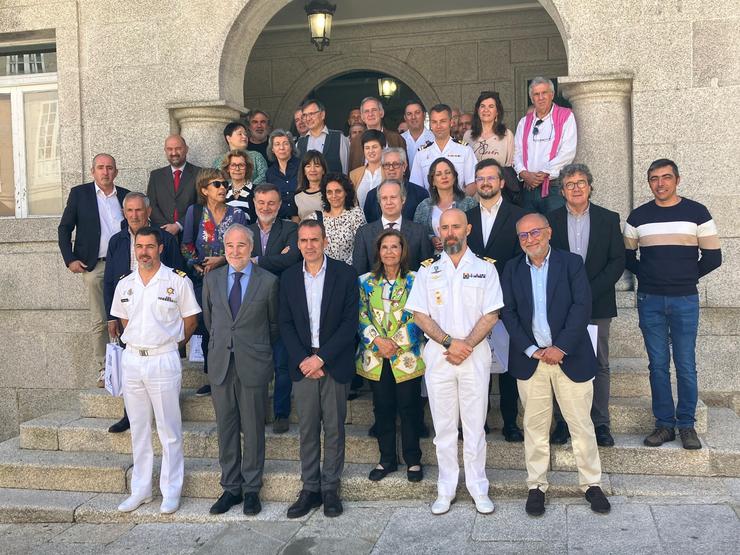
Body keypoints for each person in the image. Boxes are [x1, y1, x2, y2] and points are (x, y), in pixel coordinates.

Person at [501, 213, 610, 517]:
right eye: (523, 235)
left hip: (570, 356)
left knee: (581, 424)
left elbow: (582, 306)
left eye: (534, 232)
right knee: (534, 426)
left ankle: (591, 484)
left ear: (548, 232)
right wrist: (532, 349)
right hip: (531, 361)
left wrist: (561, 347)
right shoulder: (511, 269)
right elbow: (508, 313)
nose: (529, 239)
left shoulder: (571, 263)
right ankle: (536, 486)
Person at [405, 209, 503, 515]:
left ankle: (478, 487)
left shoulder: (486, 269)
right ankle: (446, 487)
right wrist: (450, 343)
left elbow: (492, 314)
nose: (450, 232)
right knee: (444, 428)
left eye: (455, 227)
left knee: (475, 427)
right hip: (440, 356)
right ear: (439, 232)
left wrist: (466, 345)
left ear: (467, 229)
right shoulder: (427, 270)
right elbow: (419, 314)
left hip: (474, 357)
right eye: (444, 227)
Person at [624, 159, 722, 450]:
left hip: (685, 299)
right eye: (654, 179)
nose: (660, 183)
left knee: (686, 365)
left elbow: (714, 257)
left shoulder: (697, 212)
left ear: (677, 180)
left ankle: (687, 425)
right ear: (649, 183)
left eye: (666, 177)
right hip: (650, 299)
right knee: (657, 365)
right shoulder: (638, 216)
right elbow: (628, 258)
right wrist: (652, 277)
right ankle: (664, 425)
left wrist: (682, 277)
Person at [111, 226, 200, 515]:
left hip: (164, 359)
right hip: (133, 360)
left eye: (150, 246)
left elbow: (191, 320)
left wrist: (170, 344)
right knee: (138, 429)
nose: (144, 252)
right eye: (140, 247)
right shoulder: (125, 284)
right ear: (134, 249)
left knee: (169, 429)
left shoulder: (177, 282)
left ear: (160, 248)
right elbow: (125, 321)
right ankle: (141, 491)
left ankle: (171, 491)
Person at [279, 220, 359, 519]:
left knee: (335, 429)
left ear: (325, 241)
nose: (309, 245)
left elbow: (349, 323)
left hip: (332, 363)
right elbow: (284, 324)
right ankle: (310, 488)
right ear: (298, 244)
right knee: (308, 430)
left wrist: (321, 358)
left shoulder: (345, 274)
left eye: (315, 239)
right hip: (303, 364)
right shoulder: (287, 278)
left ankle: (330, 489)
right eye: (304, 240)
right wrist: (305, 359)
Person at [203, 224, 279, 516]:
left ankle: (251, 490)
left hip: (253, 363)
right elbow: (211, 322)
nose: (235, 252)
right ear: (224, 248)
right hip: (222, 364)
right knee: (226, 428)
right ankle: (230, 487)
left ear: (251, 248)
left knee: (253, 428)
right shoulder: (213, 280)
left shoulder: (269, 281)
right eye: (230, 246)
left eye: (242, 246)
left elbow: (273, 326)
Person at [547, 163, 625, 448]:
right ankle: (563, 423)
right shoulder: (551, 220)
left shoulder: (608, 218)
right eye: (570, 184)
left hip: (598, 303)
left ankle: (600, 424)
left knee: (599, 364)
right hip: (561, 307)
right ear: (562, 190)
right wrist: (570, 296)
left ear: (590, 186)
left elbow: (617, 261)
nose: (576, 188)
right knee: (560, 362)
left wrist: (587, 293)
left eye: (581, 182)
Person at [103, 192, 184, 434]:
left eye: (139, 210)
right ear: (124, 213)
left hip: (159, 309)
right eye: (130, 211)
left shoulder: (165, 239)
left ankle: (165, 411)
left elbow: (178, 272)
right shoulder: (116, 241)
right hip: (128, 307)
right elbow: (108, 281)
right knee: (132, 364)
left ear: (148, 212)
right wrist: (111, 316)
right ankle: (130, 415)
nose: (134, 215)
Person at [465, 159, 527, 443]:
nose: (485, 183)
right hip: (473, 303)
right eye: (480, 179)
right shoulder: (466, 218)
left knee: (509, 364)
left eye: (491, 178)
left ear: (502, 182)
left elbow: (520, 261)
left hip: (508, 300)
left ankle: (511, 421)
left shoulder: (519, 216)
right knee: (478, 363)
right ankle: (480, 420)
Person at [357, 230, 425, 482]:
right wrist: (377, 340)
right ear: (378, 251)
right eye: (384, 247)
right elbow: (360, 314)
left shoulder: (416, 280)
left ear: (402, 250)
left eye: (394, 246)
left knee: (409, 408)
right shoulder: (364, 282)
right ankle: (386, 459)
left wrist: (394, 342)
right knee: (382, 408)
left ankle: (413, 460)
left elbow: (419, 315)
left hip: (405, 355)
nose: (389, 252)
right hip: (376, 356)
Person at [58, 153, 129, 388]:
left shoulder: (126, 195)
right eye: (101, 167)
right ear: (92, 171)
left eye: (110, 168)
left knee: (126, 314)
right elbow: (64, 228)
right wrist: (70, 259)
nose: (105, 172)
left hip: (123, 265)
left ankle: (128, 362)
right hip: (94, 265)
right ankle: (104, 368)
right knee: (100, 318)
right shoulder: (80, 194)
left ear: (116, 172)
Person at [181, 169, 249, 397]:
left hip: (229, 277)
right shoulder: (195, 211)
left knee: (227, 327)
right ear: (204, 190)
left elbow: (244, 246)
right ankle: (212, 377)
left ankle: (235, 374)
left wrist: (222, 260)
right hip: (202, 279)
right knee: (208, 327)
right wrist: (196, 264)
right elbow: (187, 244)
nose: (223, 188)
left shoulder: (237, 214)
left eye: (225, 184)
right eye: (217, 184)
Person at [248, 183, 301, 433]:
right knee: (256, 365)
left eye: (271, 203)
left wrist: (256, 260)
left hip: (282, 305)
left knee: (281, 362)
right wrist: (275, 259)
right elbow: (240, 264)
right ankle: (256, 414)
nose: (265, 207)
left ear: (279, 205)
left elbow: (291, 259)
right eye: (261, 203)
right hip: (253, 308)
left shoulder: (291, 228)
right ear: (254, 204)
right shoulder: (245, 232)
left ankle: (281, 413)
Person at [513, 77, 576, 214]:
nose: (540, 97)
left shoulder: (565, 116)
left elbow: (568, 151)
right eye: (536, 94)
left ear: (552, 95)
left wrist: (543, 173)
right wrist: (524, 173)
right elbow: (516, 152)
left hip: (553, 188)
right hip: (528, 188)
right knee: (531, 229)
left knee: (555, 229)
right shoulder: (524, 122)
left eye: (544, 93)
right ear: (531, 98)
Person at [353, 179, 433, 275]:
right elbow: (359, 273)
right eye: (384, 198)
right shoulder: (364, 233)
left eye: (393, 197)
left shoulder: (419, 231)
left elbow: (427, 270)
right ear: (379, 202)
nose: (389, 202)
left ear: (403, 199)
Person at [410, 104, 477, 195]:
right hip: (430, 206)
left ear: (451, 122)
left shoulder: (465, 150)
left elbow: (472, 183)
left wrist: (461, 204)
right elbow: (416, 188)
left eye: (442, 121)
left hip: (458, 206)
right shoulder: (421, 153)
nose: (438, 126)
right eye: (434, 122)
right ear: (430, 124)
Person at [413, 157, 477, 253]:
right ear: (433, 181)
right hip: (433, 260)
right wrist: (432, 238)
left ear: (454, 177)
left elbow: (475, 232)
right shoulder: (423, 206)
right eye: (438, 174)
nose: (444, 177)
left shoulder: (469, 203)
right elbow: (416, 233)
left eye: (448, 173)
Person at [147, 135, 201, 239]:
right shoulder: (156, 176)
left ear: (186, 149)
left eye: (178, 148)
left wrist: (178, 225)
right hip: (162, 235)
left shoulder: (199, 174)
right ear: (165, 151)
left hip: (191, 235)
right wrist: (166, 228)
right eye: (169, 149)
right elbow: (151, 205)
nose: (174, 153)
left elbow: (201, 205)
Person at [308, 172, 366, 265]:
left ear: (346, 192)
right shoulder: (314, 218)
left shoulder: (356, 214)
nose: (334, 195)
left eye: (338, 191)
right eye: (329, 192)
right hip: (321, 272)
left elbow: (361, 247)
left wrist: (342, 270)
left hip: (347, 271)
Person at [364, 148, 429, 223]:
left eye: (396, 164)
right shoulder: (372, 196)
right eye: (387, 165)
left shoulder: (420, 194)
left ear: (404, 167)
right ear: (382, 168)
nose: (391, 168)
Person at [348, 97, 406, 171]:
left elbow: (405, 170)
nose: (370, 114)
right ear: (362, 117)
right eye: (366, 111)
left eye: (374, 110)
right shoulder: (356, 142)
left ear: (381, 113)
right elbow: (352, 171)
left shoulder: (396, 139)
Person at [296, 99, 349, 174]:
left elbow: (345, 169)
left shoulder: (338, 138)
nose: (308, 118)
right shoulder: (300, 143)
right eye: (305, 115)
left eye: (311, 114)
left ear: (322, 115)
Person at [464, 92, 514, 168]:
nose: (486, 110)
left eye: (491, 106)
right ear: (477, 110)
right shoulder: (468, 135)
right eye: (482, 106)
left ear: (497, 112)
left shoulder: (507, 135)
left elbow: (510, 165)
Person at [264, 129, 300, 221]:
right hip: (279, 221)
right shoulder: (270, 173)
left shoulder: (302, 167)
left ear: (291, 147)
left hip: (302, 219)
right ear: (272, 149)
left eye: (285, 143)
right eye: (277, 144)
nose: (281, 148)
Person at [349, 129, 386, 211]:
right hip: (361, 221)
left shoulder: (389, 172)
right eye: (367, 148)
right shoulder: (354, 174)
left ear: (383, 148)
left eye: (374, 147)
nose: (371, 151)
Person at [221, 150, 256, 224]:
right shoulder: (223, 191)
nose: (237, 169)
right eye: (233, 165)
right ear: (228, 168)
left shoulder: (256, 191)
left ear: (247, 168)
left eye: (241, 165)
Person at [294, 150, 328, 221]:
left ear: (323, 170)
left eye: (317, 166)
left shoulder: (330, 192)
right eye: (308, 166)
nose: (312, 169)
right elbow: (295, 223)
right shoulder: (297, 196)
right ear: (304, 171)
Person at [401, 99, 434, 169]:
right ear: (405, 118)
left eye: (417, 113)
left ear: (424, 115)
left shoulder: (434, 139)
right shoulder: (400, 139)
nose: (413, 117)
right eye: (409, 114)